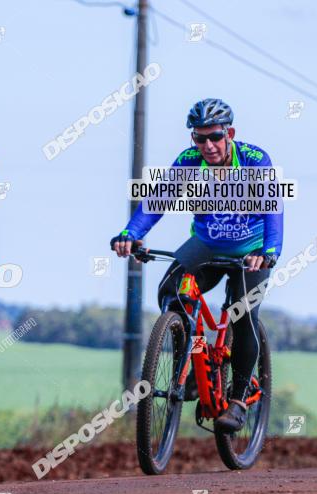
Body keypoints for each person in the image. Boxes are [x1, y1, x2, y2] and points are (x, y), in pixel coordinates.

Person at [110, 98, 283, 432]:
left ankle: (238, 399)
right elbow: (158, 200)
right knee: (171, 290)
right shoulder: (188, 162)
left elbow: (273, 210)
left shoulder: (254, 161)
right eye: (199, 138)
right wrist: (130, 233)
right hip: (205, 244)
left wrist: (271, 250)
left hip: (251, 249)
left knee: (242, 311)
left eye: (215, 137)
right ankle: (188, 366)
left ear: (229, 133)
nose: (208, 145)